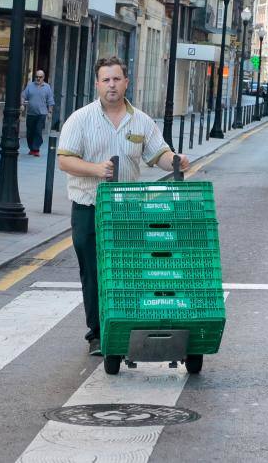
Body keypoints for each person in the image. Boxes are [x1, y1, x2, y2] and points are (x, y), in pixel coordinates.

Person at [57, 56, 190, 356]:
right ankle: (97, 333)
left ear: (126, 82)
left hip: (129, 210)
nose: (112, 85)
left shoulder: (141, 121)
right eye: (106, 80)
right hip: (89, 206)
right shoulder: (80, 119)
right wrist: (97, 170)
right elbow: (65, 160)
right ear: (97, 84)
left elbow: (160, 155)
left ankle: (125, 326)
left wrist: (177, 160)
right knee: (93, 271)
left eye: (117, 79)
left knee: (128, 270)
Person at [21, 70, 54, 156]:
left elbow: (50, 100)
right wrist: (22, 104)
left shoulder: (47, 87)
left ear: (43, 77)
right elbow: (23, 95)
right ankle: (32, 148)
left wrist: (50, 112)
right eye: (37, 77)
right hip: (31, 114)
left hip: (42, 114)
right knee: (30, 132)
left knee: (38, 131)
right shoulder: (30, 86)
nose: (38, 79)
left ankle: (36, 149)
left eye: (40, 77)